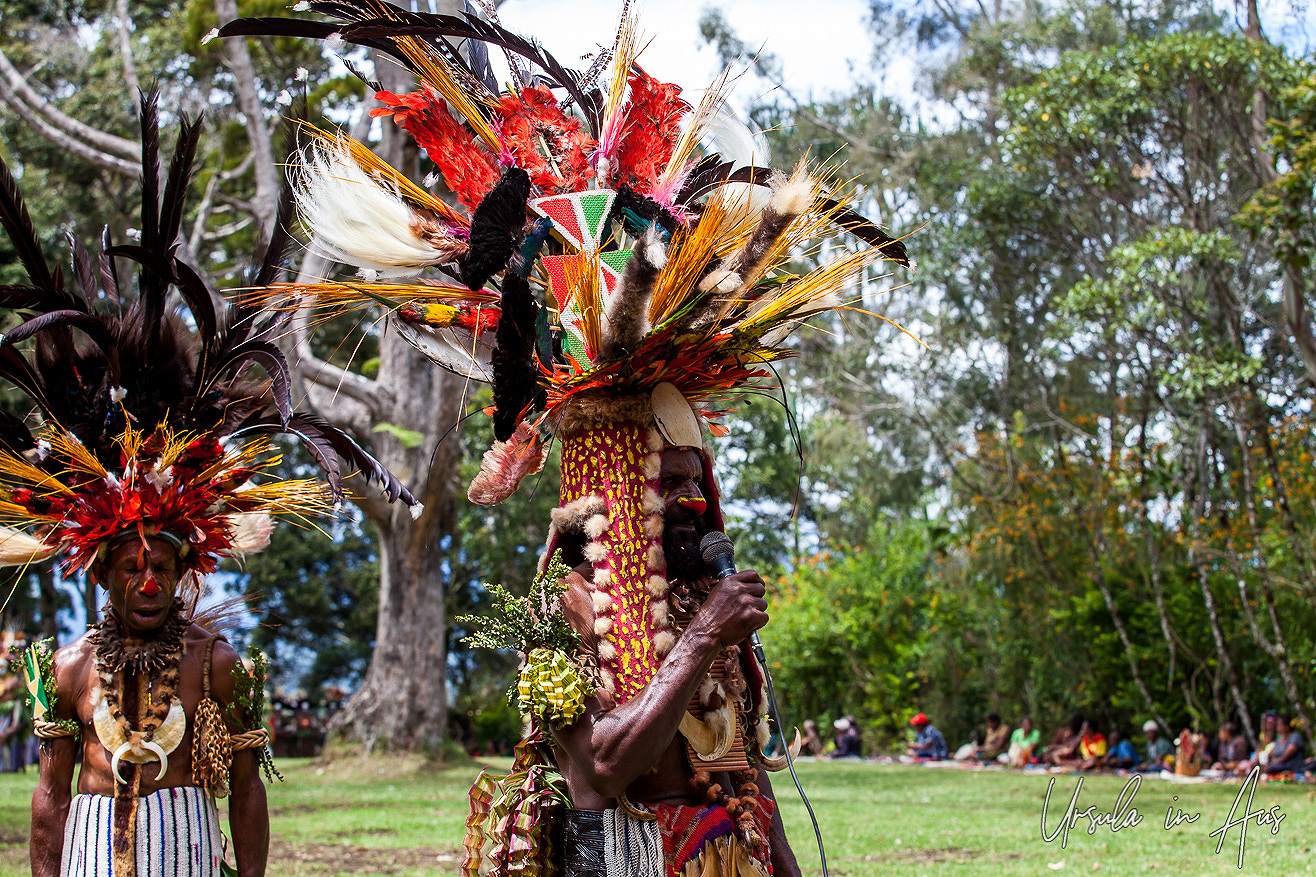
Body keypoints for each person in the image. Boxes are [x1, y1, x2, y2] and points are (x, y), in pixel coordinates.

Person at [0, 95, 413, 877]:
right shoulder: (66, 670)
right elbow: (51, 796)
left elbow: (247, 794)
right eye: (133, 566)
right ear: (102, 569)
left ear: (191, 567)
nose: (151, 580)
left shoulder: (218, 663)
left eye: (163, 564)